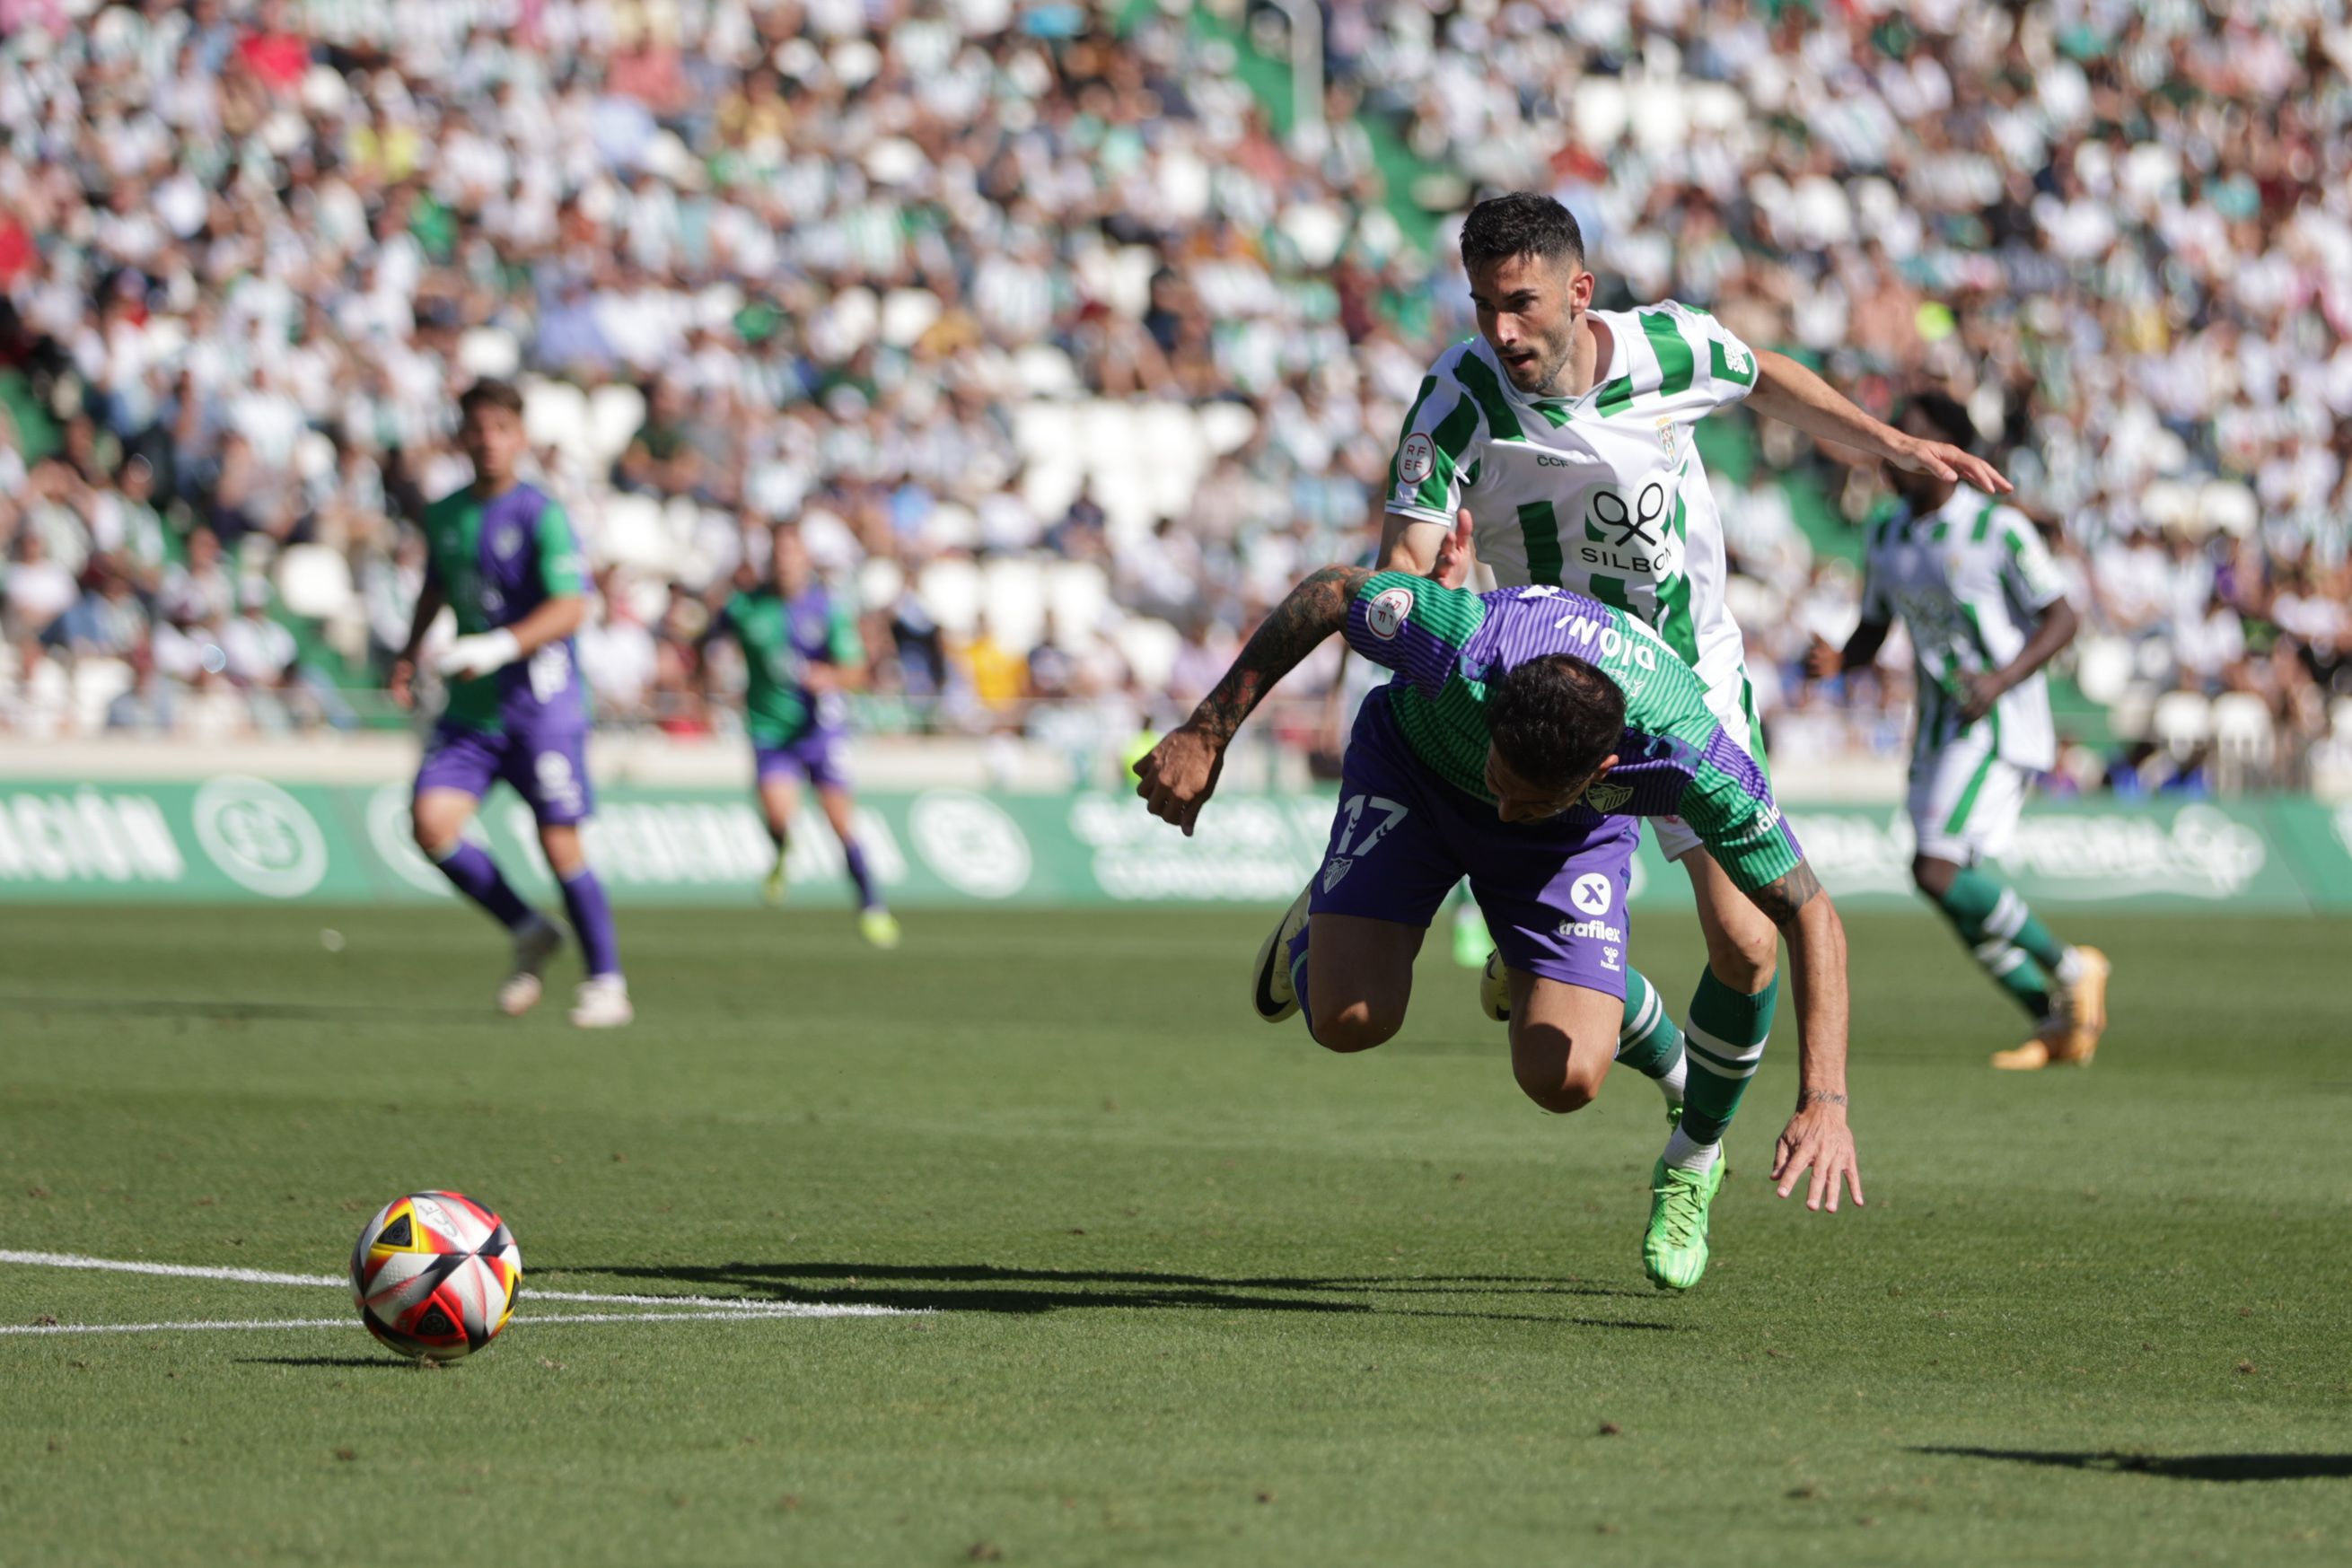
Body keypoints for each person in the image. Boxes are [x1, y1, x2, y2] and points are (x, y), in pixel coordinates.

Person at [1370, 192, 2006, 1178]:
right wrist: (1427, 586)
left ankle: (1692, 1157)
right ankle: (1498, 938)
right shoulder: (1456, 395)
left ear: (1579, 293)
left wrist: (1893, 448)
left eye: (1523, 304)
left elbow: (1765, 379)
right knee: (1551, 1029)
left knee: (1748, 945)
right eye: (1483, 305)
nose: (1501, 330)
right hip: (1544, 701)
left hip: (1686, 678)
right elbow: (1403, 557)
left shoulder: (1672, 349)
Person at [1136, 521, 1864, 1292]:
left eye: (1529, 793)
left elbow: (1812, 915)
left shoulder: (1691, 757)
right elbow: (1329, 592)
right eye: (1501, 773)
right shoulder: (1462, 644)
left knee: (1567, 1078)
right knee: (1348, 1020)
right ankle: (1329, 909)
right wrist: (1207, 732)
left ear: (1608, 766)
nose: (1506, 804)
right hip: (1416, 775)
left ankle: (1647, 1106)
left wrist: (1824, 1098)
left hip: (1567, 842)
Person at [1808, 392, 2109, 1070]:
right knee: (1937, 876)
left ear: (1948, 452)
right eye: (1890, 439)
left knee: (1938, 868)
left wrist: (2001, 679)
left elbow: (2061, 617)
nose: (1894, 453)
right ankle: (2051, 1016)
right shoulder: (1886, 532)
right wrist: (1837, 659)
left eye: (1909, 439)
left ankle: (2070, 967)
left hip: (1997, 719)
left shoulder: (1996, 529)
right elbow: (1875, 628)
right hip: (1939, 722)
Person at [390, 379, 631, 1028]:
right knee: (431, 824)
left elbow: (573, 606)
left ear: (520, 437)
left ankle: (607, 980)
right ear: (464, 436)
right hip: (472, 710)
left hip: (541, 709)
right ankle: (528, 928)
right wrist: (411, 650)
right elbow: (437, 583)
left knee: (560, 844)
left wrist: (502, 645)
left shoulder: (540, 513)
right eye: (479, 428)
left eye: (502, 428)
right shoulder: (444, 513)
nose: (490, 441)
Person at [704, 522, 900, 948]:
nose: (785, 563)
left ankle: (871, 904)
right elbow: (709, 638)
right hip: (769, 730)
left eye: (793, 554)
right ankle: (781, 851)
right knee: (778, 815)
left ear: (805, 559)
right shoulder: (745, 607)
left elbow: (856, 670)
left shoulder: (825, 608)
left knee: (841, 824)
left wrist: (826, 676)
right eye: (778, 555)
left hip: (819, 731)